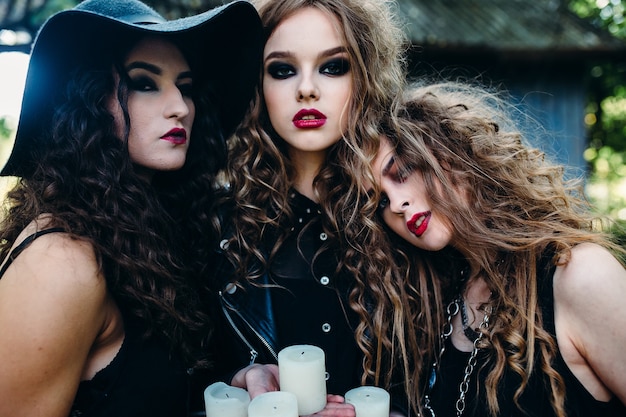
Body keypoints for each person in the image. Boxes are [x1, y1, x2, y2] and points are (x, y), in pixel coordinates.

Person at [0, 0, 262, 415]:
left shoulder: (149, 233)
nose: (180, 106)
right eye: (144, 83)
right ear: (87, 102)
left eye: (186, 87)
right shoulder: (61, 260)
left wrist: (231, 387)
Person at [366, 81, 626, 417]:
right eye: (380, 200)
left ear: (453, 153)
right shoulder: (442, 293)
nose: (397, 205)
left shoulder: (580, 274)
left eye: (401, 172)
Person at [202, 0, 408, 415]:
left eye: (333, 67)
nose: (307, 88)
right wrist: (239, 384)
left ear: (365, 78)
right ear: (256, 84)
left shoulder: (405, 216)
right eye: (282, 69)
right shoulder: (211, 226)